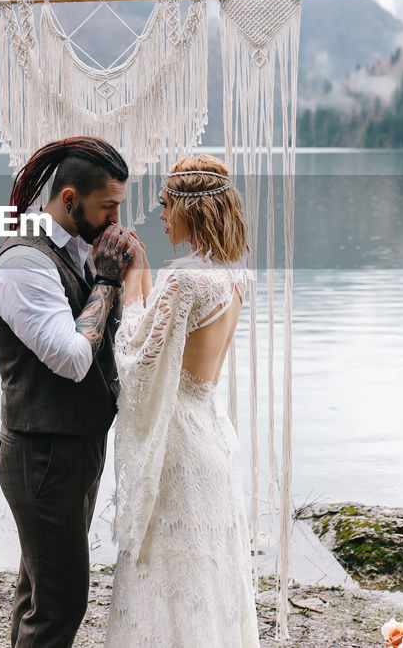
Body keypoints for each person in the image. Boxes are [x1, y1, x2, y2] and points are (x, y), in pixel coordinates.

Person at [0, 136, 140, 648]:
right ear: (70, 200)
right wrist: (109, 281)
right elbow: (74, 359)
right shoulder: (22, 262)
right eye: (108, 207)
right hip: (42, 455)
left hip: (72, 448)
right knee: (61, 600)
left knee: (39, 593)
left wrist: (111, 275)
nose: (117, 219)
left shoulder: (76, 249)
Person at [105, 154, 259, 647]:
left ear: (191, 210)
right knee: (206, 573)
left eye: (167, 205)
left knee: (166, 575)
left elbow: (136, 355)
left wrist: (129, 279)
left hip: (180, 448)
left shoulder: (184, 278)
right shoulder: (234, 276)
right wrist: (149, 270)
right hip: (213, 433)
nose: (162, 215)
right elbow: (168, 337)